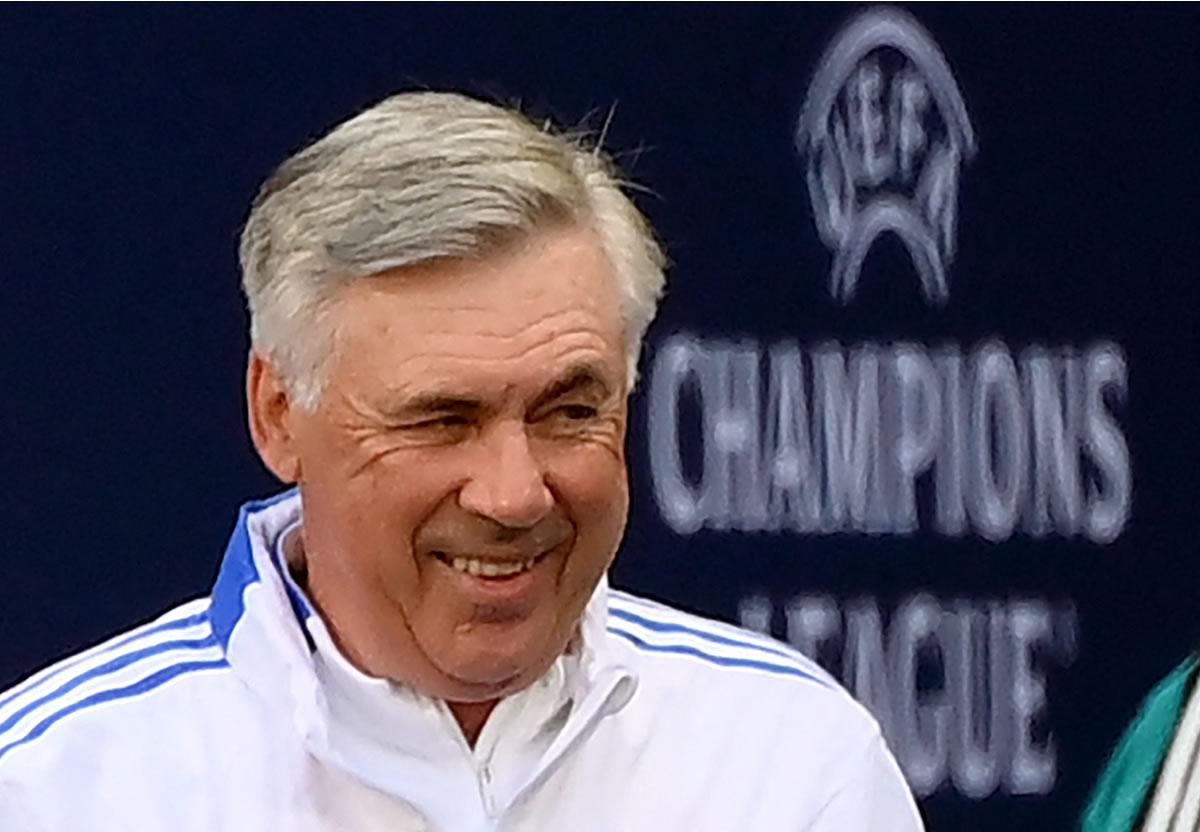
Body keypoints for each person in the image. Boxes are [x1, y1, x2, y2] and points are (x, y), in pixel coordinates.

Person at [0, 91, 923, 831]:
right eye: (442, 419)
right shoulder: (56, 790)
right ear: (278, 415)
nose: (515, 493)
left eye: (570, 410)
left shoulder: (792, 765)